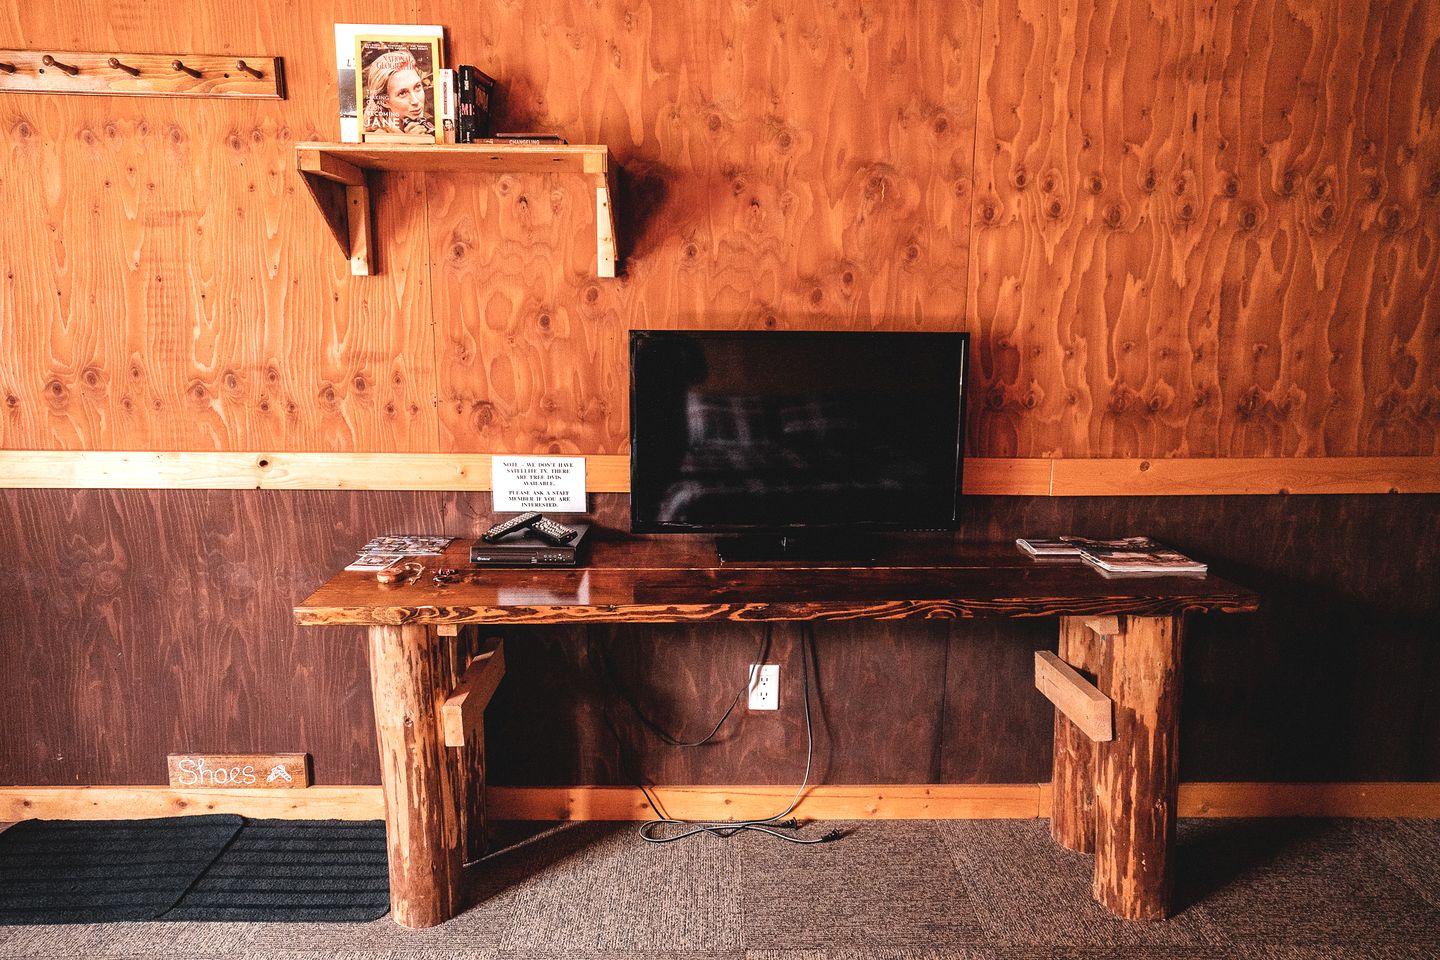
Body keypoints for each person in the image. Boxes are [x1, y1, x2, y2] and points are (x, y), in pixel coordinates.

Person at [362, 48, 433, 137]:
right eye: (403, 93)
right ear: (384, 101)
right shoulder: (379, 137)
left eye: (417, 87)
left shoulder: (426, 125)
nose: (415, 101)